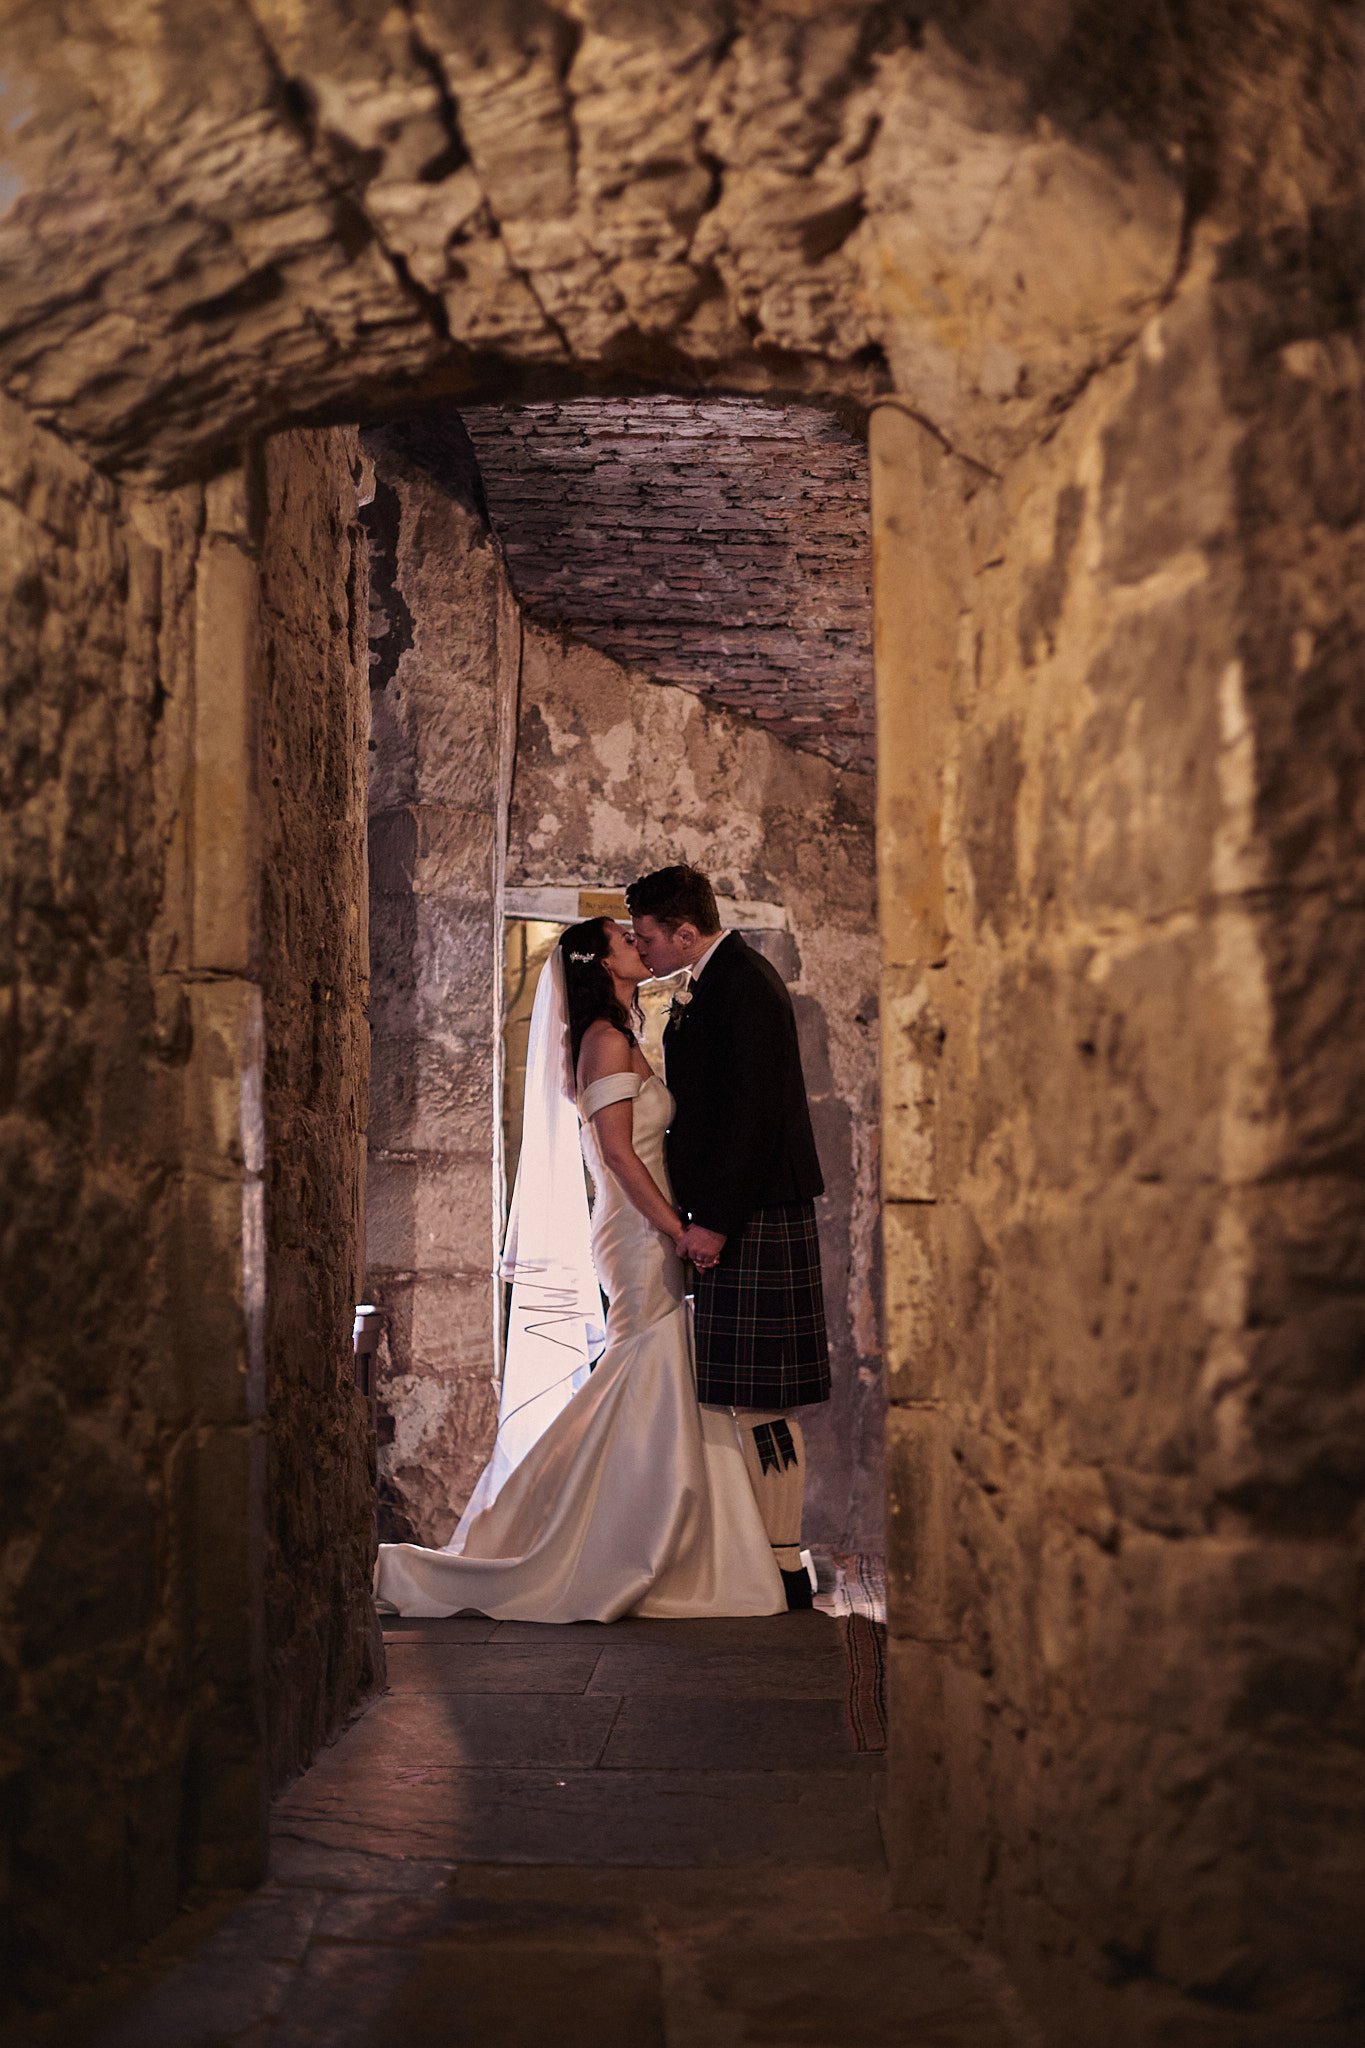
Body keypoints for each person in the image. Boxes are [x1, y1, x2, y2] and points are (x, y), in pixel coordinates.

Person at [373, 915, 784, 1622]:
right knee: (646, 1363)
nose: (636, 939)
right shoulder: (602, 1042)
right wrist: (677, 1228)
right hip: (634, 1228)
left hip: (647, 1222)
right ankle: (610, 1537)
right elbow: (619, 1157)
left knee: (649, 1370)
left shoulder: (620, 1036)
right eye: (625, 937)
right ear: (597, 962)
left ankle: (655, 1530)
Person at [626, 866, 830, 1611]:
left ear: (685, 930)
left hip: (752, 1213)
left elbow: (750, 1117)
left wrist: (712, 1220)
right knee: (744, 1394)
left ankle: (782, 1565)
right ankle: (764, 1554)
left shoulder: (741, 984)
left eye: (647, 936)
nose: (640, 948)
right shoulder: (712, 982)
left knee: (761, 1397)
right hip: (743, 1211)